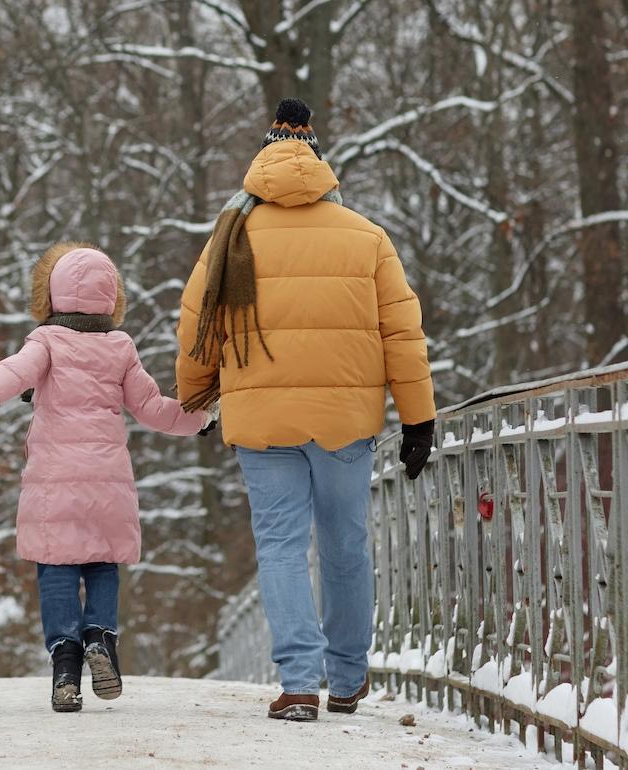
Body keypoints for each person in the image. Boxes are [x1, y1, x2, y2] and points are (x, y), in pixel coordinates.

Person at [175, 98, 436, 721]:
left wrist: (199, 392)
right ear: (322, 167)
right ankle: (346, 679)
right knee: (345, 544)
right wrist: (418, 416)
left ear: (260, 164)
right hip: (346, 421)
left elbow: (196, 326)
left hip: (262, 425)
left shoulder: (231, 235)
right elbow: (402, 332)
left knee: (281, 547)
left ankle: (297, 683)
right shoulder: (366, 236)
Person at [0, 243, 215, 712]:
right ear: (112, 297)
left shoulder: (46, 341)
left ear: (51, 296)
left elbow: (16, 372)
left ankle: (65, 667)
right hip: (108, 480)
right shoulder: (120, 347)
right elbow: (154, 409)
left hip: (54, 483)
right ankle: (99, 635)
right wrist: (201, 418)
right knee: (102, 562)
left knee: (56, 567)